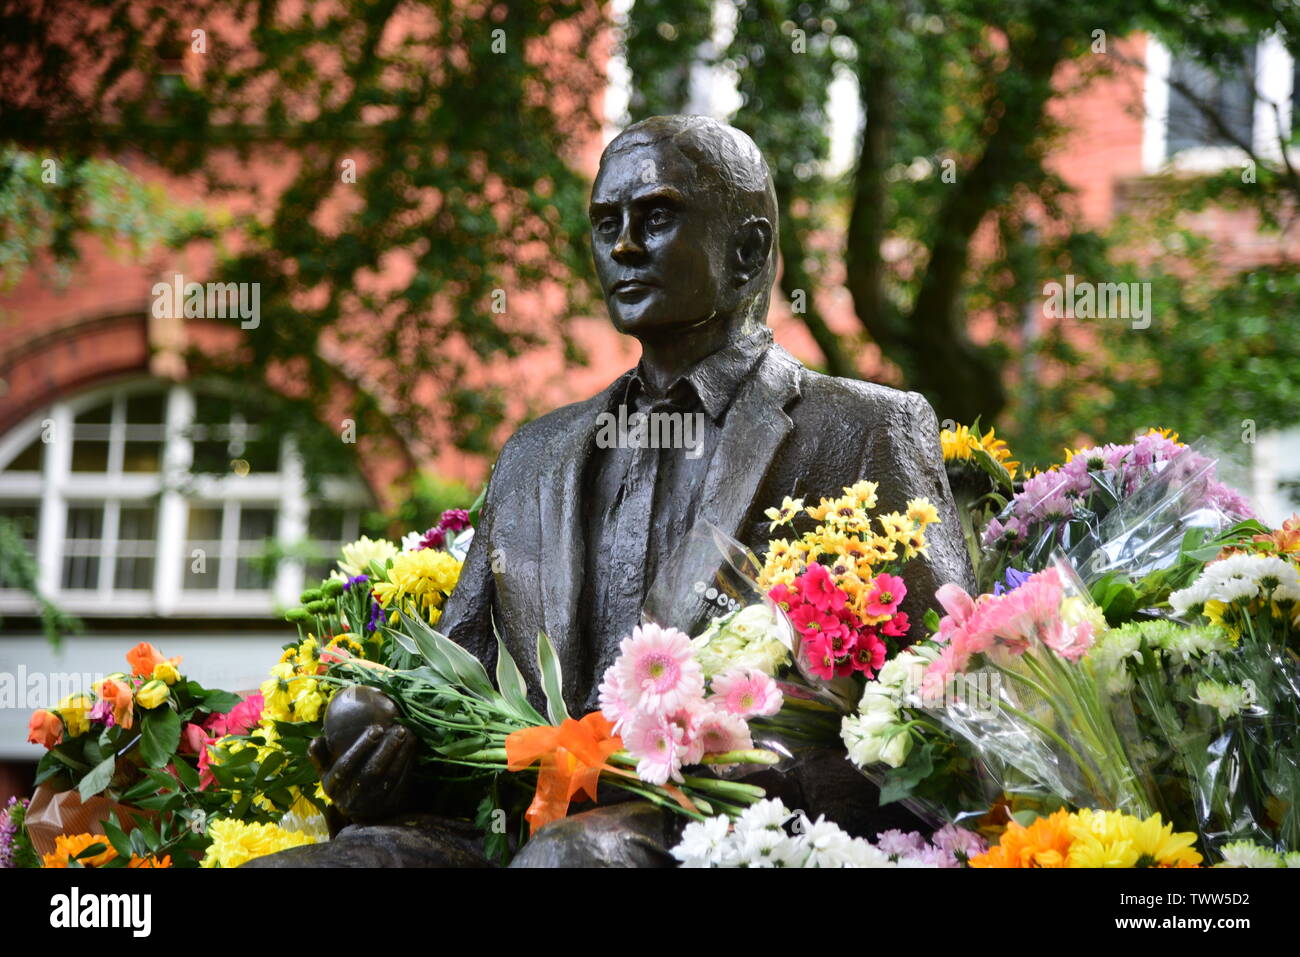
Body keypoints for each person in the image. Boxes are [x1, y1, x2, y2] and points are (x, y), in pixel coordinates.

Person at [250, 115, 973, 868]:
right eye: (605, 223)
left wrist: (734, 766)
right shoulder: (535, 454)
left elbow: (937, 712)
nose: (623, 244)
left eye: (656, 217)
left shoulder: (860, 429)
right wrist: (376, 743)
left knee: (570, 861)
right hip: (515, 827)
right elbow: (453, 692)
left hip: (730, 832)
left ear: (748, 250)